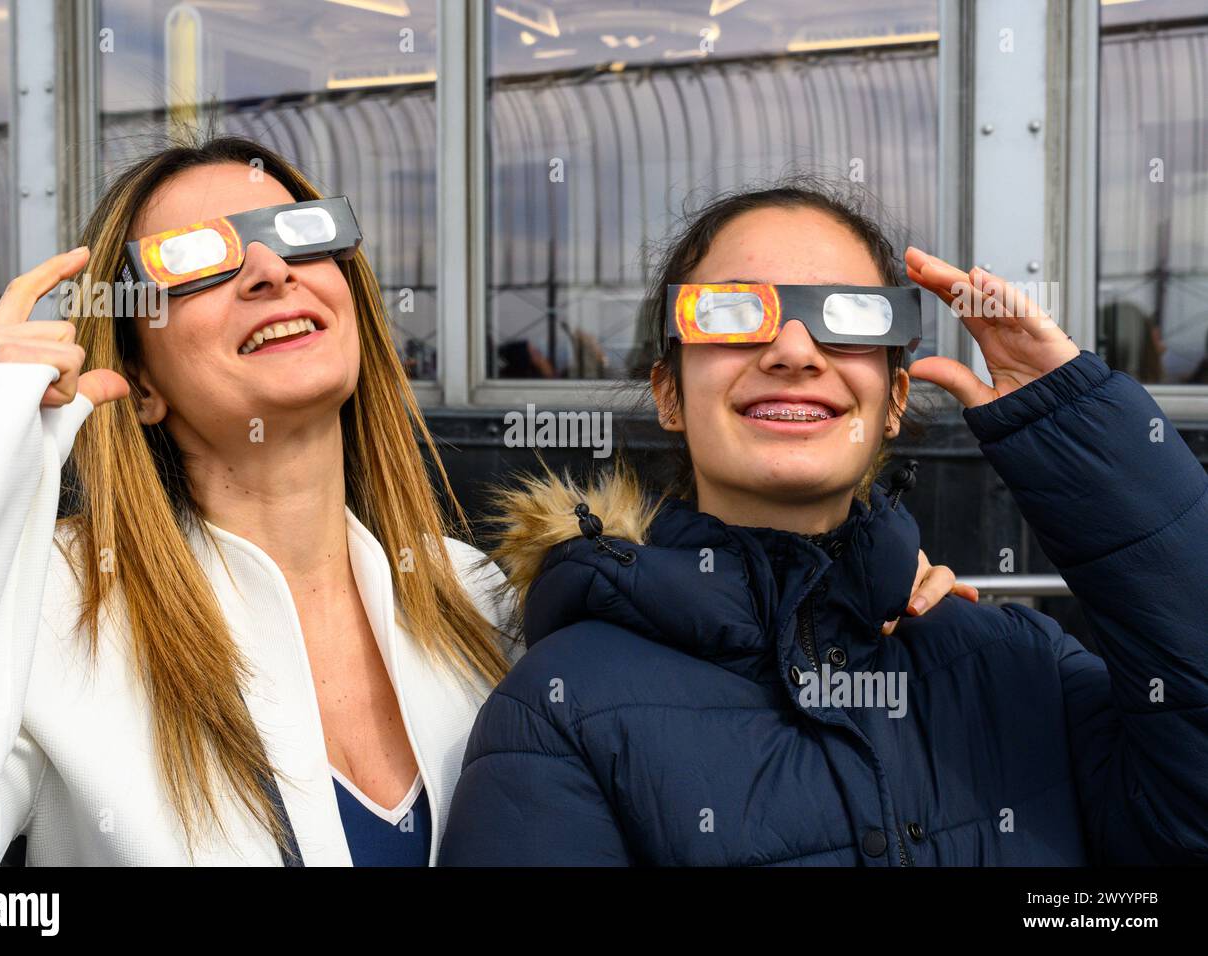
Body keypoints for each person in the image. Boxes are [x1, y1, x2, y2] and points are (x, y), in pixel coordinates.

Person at [439, 184, 1208, 866]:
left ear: (896, 398)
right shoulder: (560, 711)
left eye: (846, 315)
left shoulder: (1020, 667)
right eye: (736, 313)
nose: (795, 350)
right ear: (669, 394)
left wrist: (1079, 426)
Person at [0, 134, 515, 866]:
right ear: (142, 382)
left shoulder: (477, 594)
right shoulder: (53, 604)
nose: (268, 271)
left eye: (299, 234)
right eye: (192, 259)